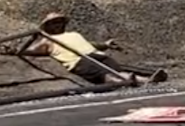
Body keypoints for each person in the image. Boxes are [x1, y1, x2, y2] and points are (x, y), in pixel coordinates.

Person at [19, 13, 167, 86]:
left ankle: (147, 81)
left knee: (116, 69)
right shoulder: (47, 40)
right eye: (53, 23)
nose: (57, 24)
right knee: (107, 75)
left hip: (95, 54)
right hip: (79, 61)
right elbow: (29, 50)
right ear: (48, 26)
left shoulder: (73, 34)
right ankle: (133, 83)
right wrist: (12, 50)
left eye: (59, 21)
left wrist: (106, 44)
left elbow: (90, 44)